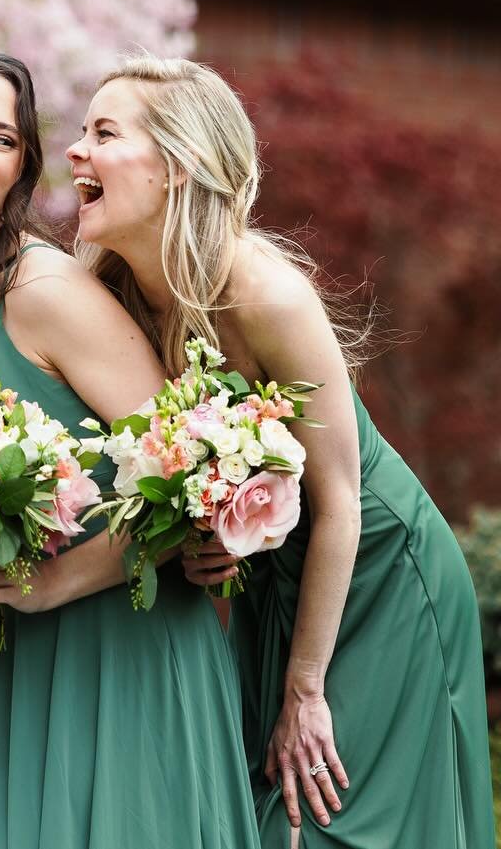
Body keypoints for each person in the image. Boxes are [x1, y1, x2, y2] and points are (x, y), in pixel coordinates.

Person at [72, 55, 494, 847]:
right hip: (274, 577)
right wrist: (206, 542)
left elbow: (336, 500)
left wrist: (306, 687)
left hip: (375, 571)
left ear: (179, 165)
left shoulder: (265, 293)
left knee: (331, 821)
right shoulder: (114, 294)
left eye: (103, 132)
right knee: (258, 817)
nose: (74, 152)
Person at [0, 46, 260, 849]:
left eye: (1, 138)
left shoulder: (46, 293)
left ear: (21, 171)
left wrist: (52, 582)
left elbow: (195, 473)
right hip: (15, 661)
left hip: (127, 653)